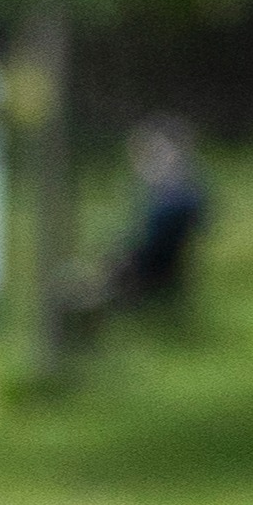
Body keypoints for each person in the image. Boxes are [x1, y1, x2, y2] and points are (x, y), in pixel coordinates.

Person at [98, 115, 211, 338]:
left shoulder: (175, 191)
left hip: (152, 260)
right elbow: (203, 221)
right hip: (162, 257)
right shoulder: (185, 185)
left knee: (112, 265)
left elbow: (150, 236)